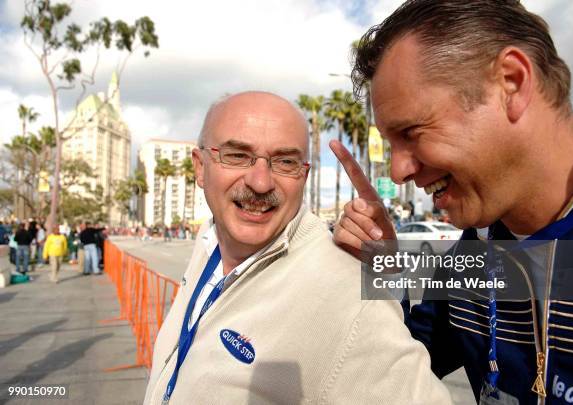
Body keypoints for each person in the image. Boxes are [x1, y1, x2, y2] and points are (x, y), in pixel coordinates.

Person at [331, 1, 573, 404]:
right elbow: (401, 367)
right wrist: (387, 274)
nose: (397, 172)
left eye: (411, 131)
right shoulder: (474, 251)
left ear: (512, 83)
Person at [143, 91, 451, 405]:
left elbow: (410, 349)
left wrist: (378, 281)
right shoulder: (209, 243)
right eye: (236, 156)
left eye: (285, 162)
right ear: (200, 167)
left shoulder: (341, 296)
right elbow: (438, 328)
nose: (260, 182)